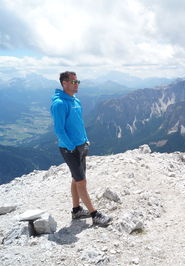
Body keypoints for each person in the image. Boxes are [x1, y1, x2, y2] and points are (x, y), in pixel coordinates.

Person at [51, 71, 112, 227]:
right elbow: (59, 130)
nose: (76, 84)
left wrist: (85, 141)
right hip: (69, 149)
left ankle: (76, 210)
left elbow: (78, 123)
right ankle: (95, 214)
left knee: (76, 179)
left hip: (81, 145)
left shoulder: (75, 100)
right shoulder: (59, 103)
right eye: (73, 81)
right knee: (81, 181)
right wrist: (71, 147)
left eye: (78, 81)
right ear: (64, 83)